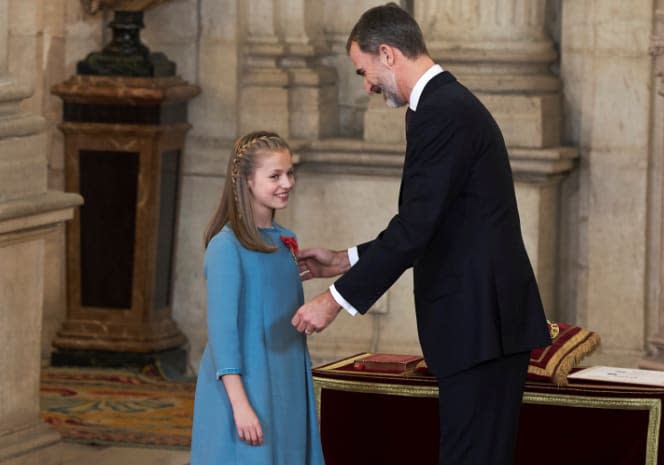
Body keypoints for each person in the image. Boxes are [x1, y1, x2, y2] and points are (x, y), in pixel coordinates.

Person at [291, 3, 551, 465]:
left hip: (479, 327)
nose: (366, 85)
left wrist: (333, 300)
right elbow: (435, 225)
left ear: (388, 54)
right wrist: (345, 259)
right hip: (480, 326)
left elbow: (415, 228)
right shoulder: (439, 106)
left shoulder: (441, 111)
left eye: (363, 70)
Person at [190, 131, 325, 465]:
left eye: (289, 173)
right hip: (246, 386)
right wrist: (240, 406)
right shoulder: (227, 246)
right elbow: (223, 334)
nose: (287, 183)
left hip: (287, 381)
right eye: (275, 175)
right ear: (247, 181)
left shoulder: (286, 241)